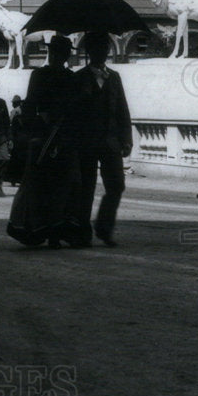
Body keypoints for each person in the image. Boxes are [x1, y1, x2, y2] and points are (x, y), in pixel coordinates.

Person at [7, 35, 84, 248]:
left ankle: (51, 231)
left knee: (54, 185)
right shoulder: (55, 76)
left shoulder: (53, 76)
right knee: (53, 185)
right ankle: (50, 232)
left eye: (62, 52)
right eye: (58, 52)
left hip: (56, 136)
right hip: (52, 137)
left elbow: (32, 106)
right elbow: (32, 105)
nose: (59, 55)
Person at [73, 32, 132, 247]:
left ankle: (104, 228)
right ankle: (82, 232)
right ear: (89, 52)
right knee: (85, 188)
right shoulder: (78, 78)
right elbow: (72, 113)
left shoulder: (114, 77)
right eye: (98, 49)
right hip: (86, 143)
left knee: (116, 185)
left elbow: (122, 110)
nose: (103, 53)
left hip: (111, 141)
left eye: (105, 49)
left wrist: (127, 140)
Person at [5, 95, 27, 186]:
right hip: (24, 139)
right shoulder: (25, 112)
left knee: (14, 159)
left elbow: (10, 123)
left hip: (17, 138)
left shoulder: (14, 111)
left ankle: (13, 179)